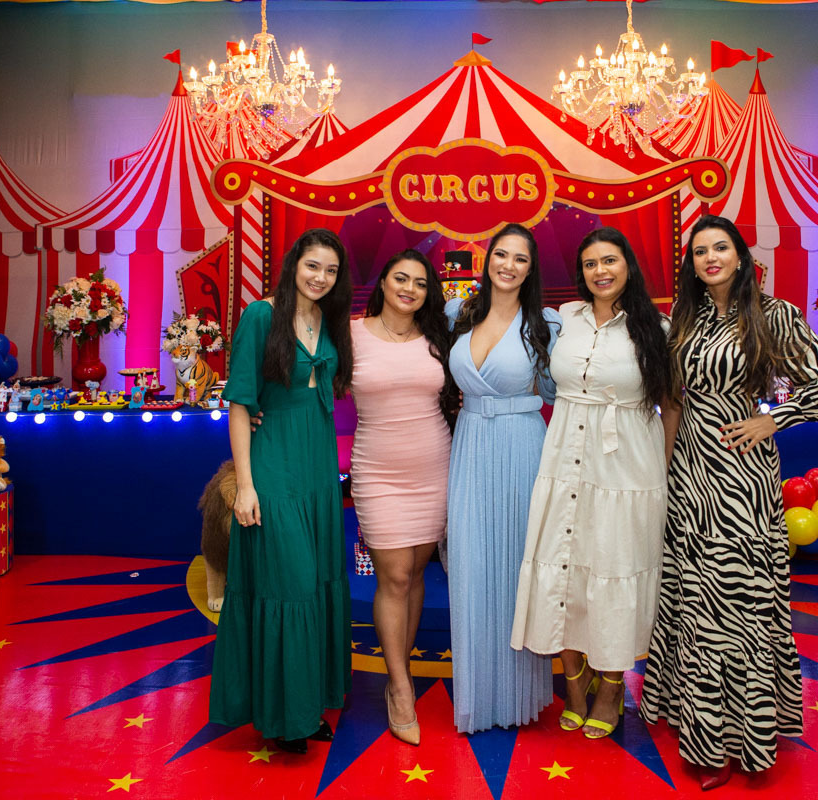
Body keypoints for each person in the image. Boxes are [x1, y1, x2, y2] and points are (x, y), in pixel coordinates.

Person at [640, 215, 818, 788]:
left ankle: (739, 736)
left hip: (742, 475)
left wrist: (772, 418)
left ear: (740, 256)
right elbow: (671, 398)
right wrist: (662, 468)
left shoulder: (773, 315)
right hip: (690, 470)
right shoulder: (686, 317)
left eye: (720, 247)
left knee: (737, 602)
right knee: (696, 601)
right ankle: (701, 729)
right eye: (700, 251)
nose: (710, 257)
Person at [510, 227, 670, 739]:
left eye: (610, 260)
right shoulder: (565, 319)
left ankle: (611, 686)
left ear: (628, 265)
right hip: (564, 458)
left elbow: (672, 404)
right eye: (590, 263)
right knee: (564, 567)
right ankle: (575, 682)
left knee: (613, 570)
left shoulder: (656, 327)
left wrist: (663, 469)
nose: (600, 271)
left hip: (627, 469)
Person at [209, 228, 354, 755]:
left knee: (315, 581)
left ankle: (306, 702)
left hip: (317, 463)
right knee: (287, 583)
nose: (321, 277)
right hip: (273, 463)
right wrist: (246, 486)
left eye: (331, 270)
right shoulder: (261, 315)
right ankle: (283, 716)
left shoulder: (329, 319)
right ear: (294, 264)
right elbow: (240, 404)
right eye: (313, 266)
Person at [446, 223, 561, 734]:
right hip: (470, 446)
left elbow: (561, 391)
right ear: (487, 258)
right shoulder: (457, 313)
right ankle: (480, 695)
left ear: (531, 269)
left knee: (519, 568)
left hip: (523, 449)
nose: (508, 265)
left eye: (520, 258)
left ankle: (520, 696)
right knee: (471, 564)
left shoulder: (546, 324)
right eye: (501, 254)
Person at [350, 249, 453, 746]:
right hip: (377, 472)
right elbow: (307, 373)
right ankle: (400, 687)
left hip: (435, 468)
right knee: (392, 575)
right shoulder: (350, 333)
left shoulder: (438, 336)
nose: (409, 288)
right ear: (384, 282)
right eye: (401, 278)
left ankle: (401, 667)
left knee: (413, 575)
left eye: (420, 282)